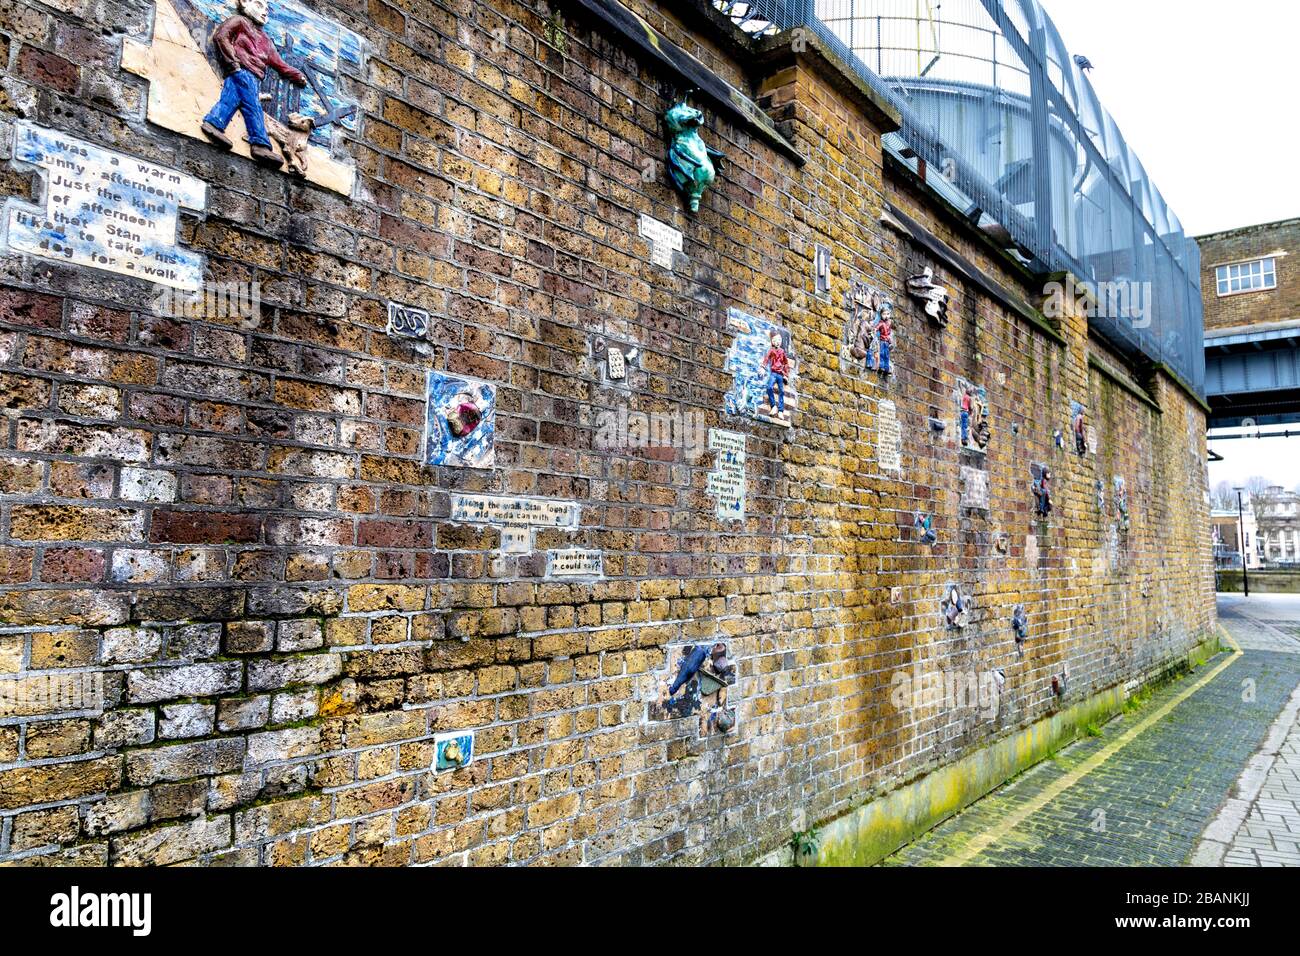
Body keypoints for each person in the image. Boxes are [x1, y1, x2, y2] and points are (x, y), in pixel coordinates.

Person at [201, 0, 307, 169]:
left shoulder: (266, 40)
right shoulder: (239, 22)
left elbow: (279, 64)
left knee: (230, 100)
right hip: (242, 71)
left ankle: (213, 123)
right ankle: (260, 144)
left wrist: (298, 75)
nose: (265, 12)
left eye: (267, 9)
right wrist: (233, 63)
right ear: (244, 3)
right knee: (253, 107)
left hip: (253, 76)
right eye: (259, 5)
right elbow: (221, 36)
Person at [761, 331, 790, 419]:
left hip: (780, 374)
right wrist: (763, 367)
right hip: (773, 373)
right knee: (769, 387)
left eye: (779, 340)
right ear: (772, 341)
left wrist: (786, 374)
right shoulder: (771, 350)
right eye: (775, 340)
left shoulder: (782, 352)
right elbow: (766, 359)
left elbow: (786, 363)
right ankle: (773, 406)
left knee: (781, 391)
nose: (777, 342)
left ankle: (781, 410)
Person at [874, 303, 894, 374]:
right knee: (882, 353)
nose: (886, 316)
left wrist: (890, 340)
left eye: (888, 314)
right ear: (881, 315)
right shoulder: (881, 323)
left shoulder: (889, 323)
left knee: (887, 354)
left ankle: (886, 367)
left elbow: (890, 331)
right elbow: (876, 328)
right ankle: (881, 366)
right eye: (884, 314)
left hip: (887, 341)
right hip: (882, 340)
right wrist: (874, 331)